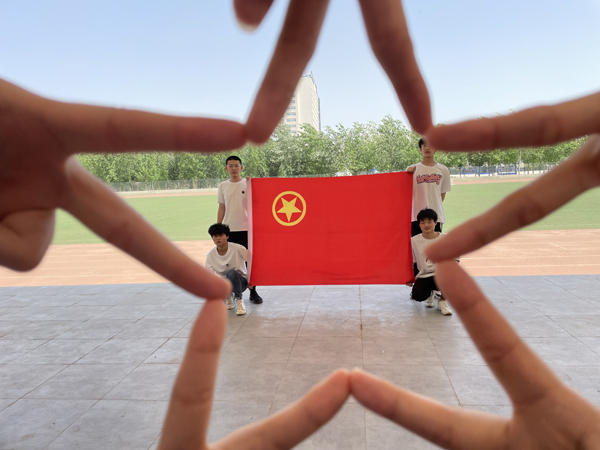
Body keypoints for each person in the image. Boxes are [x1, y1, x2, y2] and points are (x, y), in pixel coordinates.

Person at [217, 155, 263, 304]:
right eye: (230, 166)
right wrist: (218, 227)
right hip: (229, 230)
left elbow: (257, 203)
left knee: (250, 261)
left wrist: (253, 183)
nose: (233, 168)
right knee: (230, 262)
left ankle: (253, 291)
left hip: (247, 229)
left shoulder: (248, 184)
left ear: (241, 168)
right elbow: (222, 207)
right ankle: (230, 292)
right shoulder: (223, 186)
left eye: (236, 165)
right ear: (226, 169)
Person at [410, 208, 456, 315]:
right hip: (424, 275)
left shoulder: (444, 239)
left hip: (442, 274)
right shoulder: (414, 241)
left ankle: (442, 301)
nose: (426, 225)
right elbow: (410, 262)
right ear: (419, 224)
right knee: (417, 296)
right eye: (423, 222)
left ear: (435, 223)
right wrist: (409, 277)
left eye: (429, 221)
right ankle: (430, 293)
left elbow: (455, 258)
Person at [406, 138, 452, 237]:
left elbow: (442, 194)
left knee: (435, 244)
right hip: (416, 216)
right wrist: (407, 174)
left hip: (436, 216)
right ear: (420, 149)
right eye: (424, 145)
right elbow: (405, 192)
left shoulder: (443, 170)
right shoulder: (412, 169)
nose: (427, 148)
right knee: (417, 244)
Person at [205, 223, 249, 315]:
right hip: (224, 284)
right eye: (215, 236)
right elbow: (209, 275)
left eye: (221, 235)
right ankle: (227, 296)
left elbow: (252, 262)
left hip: (241, 282)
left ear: (227, 236)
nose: (218, 238)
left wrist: (252, 281)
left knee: (231, 273)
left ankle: (239, 300)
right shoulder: (211, 255)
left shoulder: (238, 248)